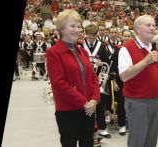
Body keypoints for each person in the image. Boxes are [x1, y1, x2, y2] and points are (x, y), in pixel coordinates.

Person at [118, 15, 158, 147]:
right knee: (138, 140)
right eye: (148, 25)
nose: (152, 28)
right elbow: (124, 76)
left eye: (153, 25)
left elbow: (157, 73)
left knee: (151, 140)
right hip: (137, 101)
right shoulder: (126, 48)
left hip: (155, 100)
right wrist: (146, 61)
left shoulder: (153, 48)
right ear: (138, 29)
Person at [46, 9, 100, 147]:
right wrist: (84, 102)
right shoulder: (54, 52)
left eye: (78, 26)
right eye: (72, 26)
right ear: (62, 28)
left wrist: (94, 99)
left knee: (87, 143)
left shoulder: (83, 52)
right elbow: (59, 84)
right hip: (68, 111)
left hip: (88, 109)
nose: (77, 30)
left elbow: (93, 78)